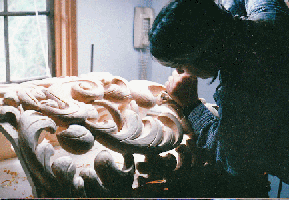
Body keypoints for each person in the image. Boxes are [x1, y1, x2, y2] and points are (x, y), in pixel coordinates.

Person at [149, 0, 289, 197]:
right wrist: (221, 15)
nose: (179, 71)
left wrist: (191, 105)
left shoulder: (241, 88)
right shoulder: (272, 20)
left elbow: (235, 160)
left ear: (203, 55)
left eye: (180, 63)